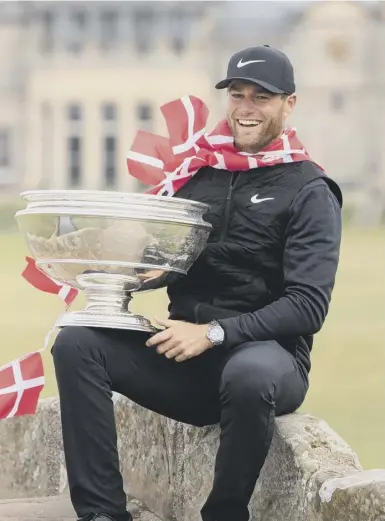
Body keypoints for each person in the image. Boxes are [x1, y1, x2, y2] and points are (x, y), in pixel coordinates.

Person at [51, 45, 343, 521]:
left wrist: (213, 333)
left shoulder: (310, 190)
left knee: (248, 375)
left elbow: (308, 306)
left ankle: (224, 514)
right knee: (77, 343)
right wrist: (123, 270)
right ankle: (103, 513)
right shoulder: (197, 175)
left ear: (289, 105)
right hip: (186, 358)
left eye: (262, 98)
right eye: (238, 95)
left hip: (268, 361)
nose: (246, 109)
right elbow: (173, 258)